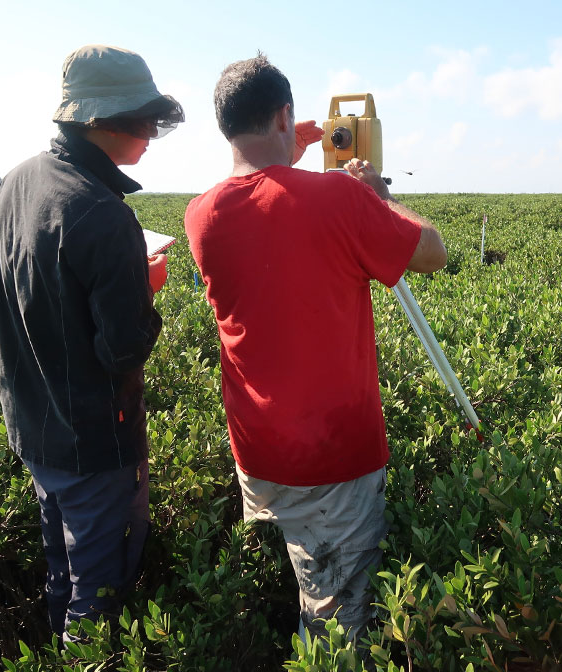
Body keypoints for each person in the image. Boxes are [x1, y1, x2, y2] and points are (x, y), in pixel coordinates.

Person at [184, 54, 447, 644]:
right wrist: (373, 195)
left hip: (261, 457)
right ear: (285, 114)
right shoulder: (340, 201)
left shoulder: (201, 214)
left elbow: (265, 197)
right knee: (338, 628)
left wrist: (289, 149)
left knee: (312, 586)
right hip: (332, 461)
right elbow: (432, 252)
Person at [0, 44, 183, 640]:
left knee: (62, 568)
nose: (150, 134)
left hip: (34, 429)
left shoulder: (14, 181)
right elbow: (123, 350)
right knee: (100, 584)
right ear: (100, 122)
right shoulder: (105, 215)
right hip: (93, 443)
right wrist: (145, 285)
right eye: (142, 120)